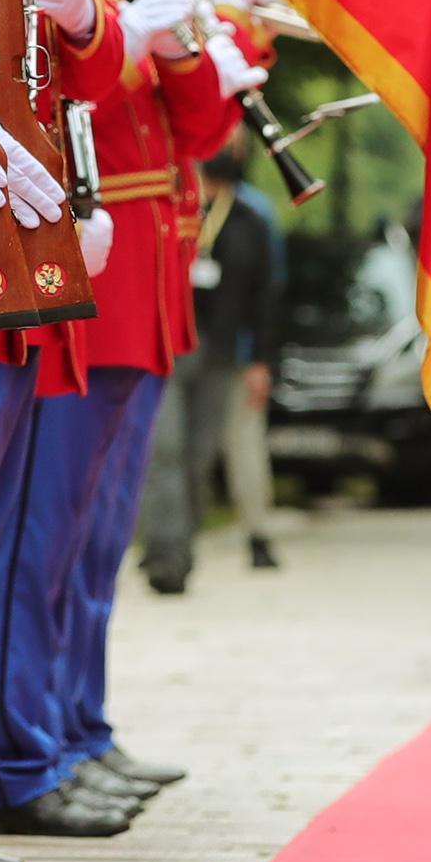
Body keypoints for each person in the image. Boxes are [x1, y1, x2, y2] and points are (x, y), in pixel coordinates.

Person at [139, 136, 285, 591]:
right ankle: (163, 555)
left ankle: (183, 548)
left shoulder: (251, 219)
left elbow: (266, 296)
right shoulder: (174, 204)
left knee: (199, 456)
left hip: (221, 354)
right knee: (165, 449)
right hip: (169, 349)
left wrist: (261, 361)